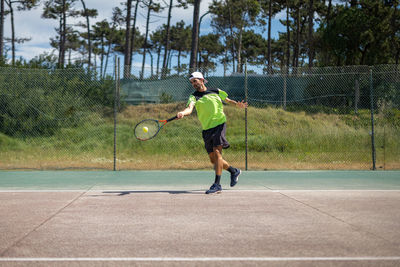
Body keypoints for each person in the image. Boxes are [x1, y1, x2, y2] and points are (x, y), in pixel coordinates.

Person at [177, 72, 248, 194]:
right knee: (213, 160)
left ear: (202, 80)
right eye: (192, 82)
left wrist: (237, 105)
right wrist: (183, 113)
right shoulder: (193, 96)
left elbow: (227, 100)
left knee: (217, 154)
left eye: (195, 80)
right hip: (206, 129)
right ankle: (233, 171)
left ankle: (217, 184)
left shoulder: (215, 91)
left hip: (219, 125)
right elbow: (190, 108)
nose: (194, 84)